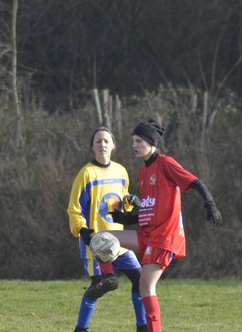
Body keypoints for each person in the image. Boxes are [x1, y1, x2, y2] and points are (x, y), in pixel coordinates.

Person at [85, 119, 222, 332]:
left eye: (139, 141)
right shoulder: (143, 172)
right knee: (102, 237)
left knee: (146, 286)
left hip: (164, 237)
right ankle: (108, 278)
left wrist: (210, 204)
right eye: (133, 141)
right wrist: (125, 219)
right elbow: (149, 210)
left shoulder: (165, 163)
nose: (134, 145)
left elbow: (195, 182)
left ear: (151, 143)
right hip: (147, 234)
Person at [67, 127, 148, 332]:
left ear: (113, 145)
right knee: (98, 286)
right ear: (92, 147)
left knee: (140, 280)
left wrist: (130, 202)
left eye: (106, 141)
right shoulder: (86, 174)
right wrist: (82, 230)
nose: (102, 144)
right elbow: (74, 209)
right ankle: (81, 329)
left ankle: (142, 327)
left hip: (119, 241)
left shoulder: (120, 171)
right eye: (98, 141)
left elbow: (121, 204)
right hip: (97, 243)